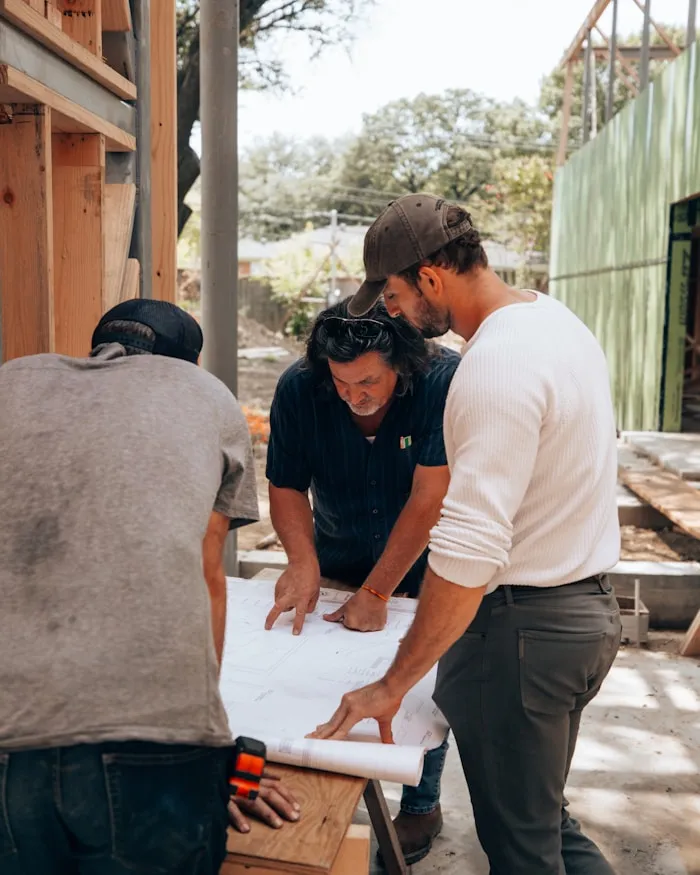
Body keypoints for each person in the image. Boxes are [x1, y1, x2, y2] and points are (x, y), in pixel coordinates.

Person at [311, 195, 623, 875]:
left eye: (392, 294)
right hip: (586, 614)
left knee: (523, 850)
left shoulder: (494, 367)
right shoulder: (555, 322)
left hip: (522, 635)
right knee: (545, 824)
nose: (391, 312)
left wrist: (395, 680)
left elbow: (469, 546)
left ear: (430, 277)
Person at [0, 299, 299, 874]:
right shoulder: (204, 395)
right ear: (186, 363)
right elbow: (208, 572)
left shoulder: (13, 379)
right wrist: (214, 748)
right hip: (149, 737)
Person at [264, 299, 460, 864]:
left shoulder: (441, 380)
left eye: (369, 380)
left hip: (428, 563)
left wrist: (377, 592)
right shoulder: (300, 387)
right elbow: (285, 485)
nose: (356, 394)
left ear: (401, 361)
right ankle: (334, 780)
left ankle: (421, 803)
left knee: (422, 681)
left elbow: (431, 497)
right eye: (343, 382)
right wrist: (302, 561)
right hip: (338, 549)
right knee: (329, 670)